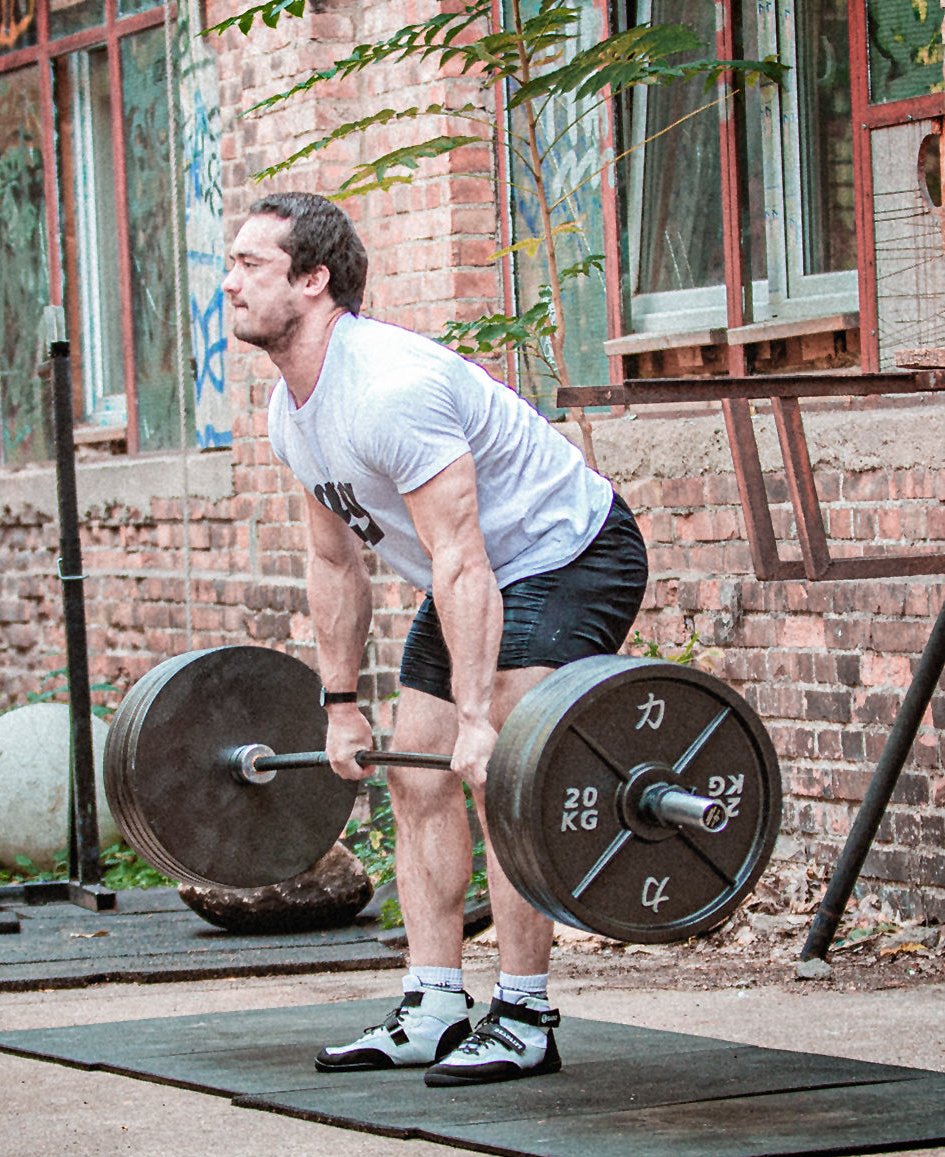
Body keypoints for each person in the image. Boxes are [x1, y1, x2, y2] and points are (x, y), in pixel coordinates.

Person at [222, 192, 648, 1087]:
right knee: (414, 770)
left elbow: (460, 560)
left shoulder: (391, 388)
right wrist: (341, 706)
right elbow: (336, 564)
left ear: (313, 280)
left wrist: (481, 717)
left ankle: (525, 1013)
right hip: (479, 572)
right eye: (231, 264)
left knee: (500, 777)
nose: (230, 283)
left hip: (568, 552)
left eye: (250, 265)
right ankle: (435, 1002)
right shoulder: (291, 410)